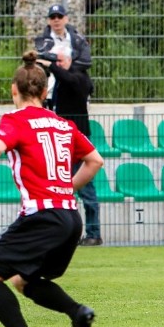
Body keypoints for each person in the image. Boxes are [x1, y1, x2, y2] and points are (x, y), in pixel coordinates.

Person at [0, 50, 104, 327]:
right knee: (23, 280)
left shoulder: (15, 120)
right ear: (46, 92)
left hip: (42, 216)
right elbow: (95, 161)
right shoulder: (63, 124)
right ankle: (78, 313)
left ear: (14, 90)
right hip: (70, 218)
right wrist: (66, 189)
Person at [42, 49, 102, 246]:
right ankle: (67, 233)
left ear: (69, 60)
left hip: (77, 139)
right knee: (62, 187)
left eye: (59, 60)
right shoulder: (57, 79)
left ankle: (93, 232)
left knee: (85, 187)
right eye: (54, 61)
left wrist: (50, 65)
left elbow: (71, 82)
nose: (56, 64)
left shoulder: (79, 77)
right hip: (62, 139)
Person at [35, 4, 92, 106]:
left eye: (60, 17)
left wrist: (66, 63)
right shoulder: (42, 40)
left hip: (74, 84)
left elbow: (86, 61)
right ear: (48, 21)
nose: (56, 20)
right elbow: (42, 57)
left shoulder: (78, 39)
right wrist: (62, 60)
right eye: (53, 17)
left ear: (66, 19)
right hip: (52, 84)